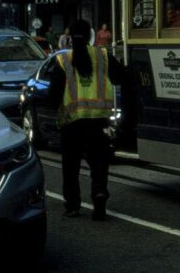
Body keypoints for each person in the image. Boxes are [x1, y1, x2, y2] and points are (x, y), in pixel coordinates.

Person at [47, 18, 125, 220]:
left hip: (71, 122)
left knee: (70, 166)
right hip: (99, 120)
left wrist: (57, 109)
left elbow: (53, 96)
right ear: (91, 36)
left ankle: (73, 205)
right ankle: (99, 194)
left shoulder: (63, 60)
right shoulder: (103, 56)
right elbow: (120, 77)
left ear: (70, 38)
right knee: (99, 162)